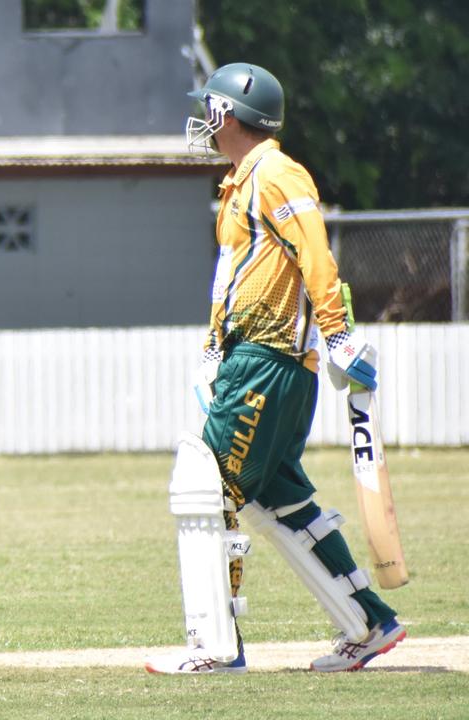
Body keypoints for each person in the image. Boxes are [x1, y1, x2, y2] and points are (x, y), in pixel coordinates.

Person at [146, 63, 404, 674]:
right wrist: (214, 346)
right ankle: (369, 622)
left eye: (209, 107)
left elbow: (315, 253)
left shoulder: (276, 174)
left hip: (268, 363)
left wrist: (338, 336)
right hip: (256, 361)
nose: (203, 119)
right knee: (279, 500)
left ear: (231, 114)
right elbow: (235, 275)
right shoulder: (242, 180)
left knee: (207, 491)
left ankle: (215, 648)